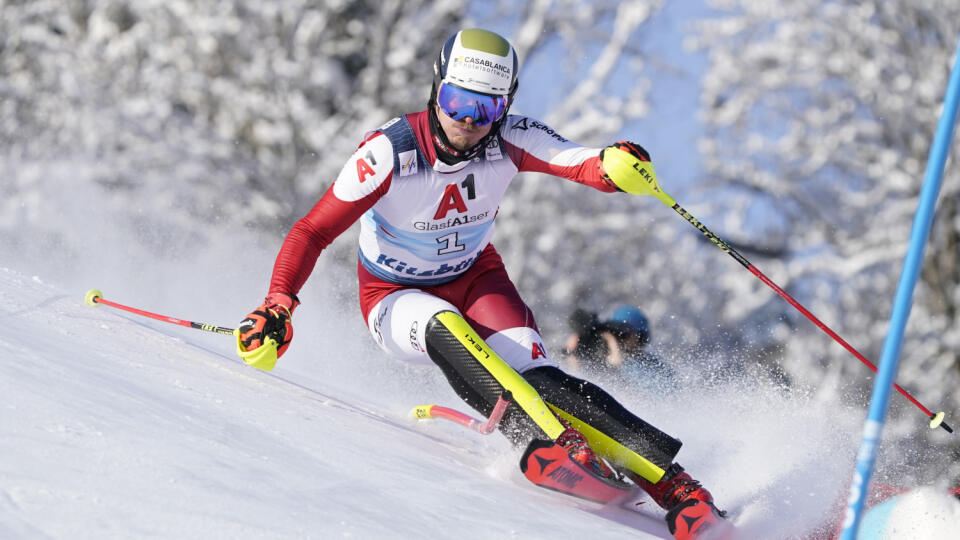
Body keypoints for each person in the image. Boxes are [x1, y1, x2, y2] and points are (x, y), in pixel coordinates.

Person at [237, 28, 725, 535]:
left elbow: (581, 163)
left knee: (540, 378)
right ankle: (538, 434)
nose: (467, 120)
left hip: (476, 279)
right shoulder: (389, 152)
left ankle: (677, 486)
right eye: (456, 100)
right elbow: (312, 229)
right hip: (393, 295)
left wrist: (615, 165)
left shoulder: (512, 138)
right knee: (442, 323)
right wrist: (278, 304)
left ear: (505, 106)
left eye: (485, 109)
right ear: (436, 89)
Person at [564, 305, 674, 385]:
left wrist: (621, 364)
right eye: (616, 335)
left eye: (624, 335)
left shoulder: (650, 365)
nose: (619, 341)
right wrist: (573, 356)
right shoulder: (601, 347)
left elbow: (663, 391)